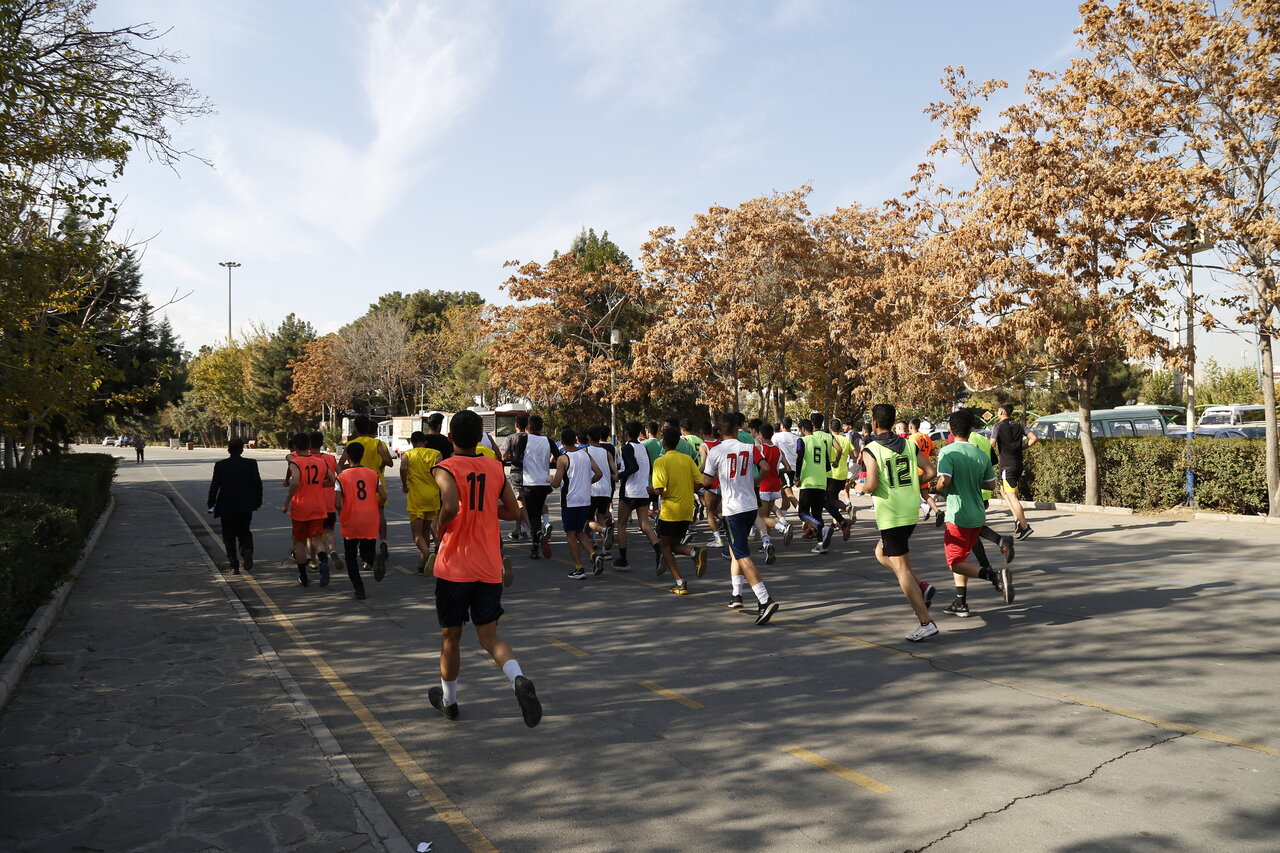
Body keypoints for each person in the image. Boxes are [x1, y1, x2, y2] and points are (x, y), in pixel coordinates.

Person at [427, 410, 542, 727]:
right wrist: (485, 509)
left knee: (451, 637)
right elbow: (513, 512)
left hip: (455, 566)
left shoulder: (445, 467)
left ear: (450, 439)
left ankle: (449, 702)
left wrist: (439, 524)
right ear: (481, 437)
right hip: (489, 564)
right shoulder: (494, 467)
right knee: (489, 636)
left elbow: (450, 505)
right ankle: (518, 679)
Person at [856, 404, 940, 642]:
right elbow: (931, 472)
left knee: (900, 567)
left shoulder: (871, 448)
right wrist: (913, 482)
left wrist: (860, 487)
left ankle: (926, 621)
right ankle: (920, 585)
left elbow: (871, 484)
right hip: (910, 508)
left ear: (874, 423)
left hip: (891, 513)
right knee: (881, 553)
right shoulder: (908, 444)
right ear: (893, 422)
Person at [935, 409, 1015, 619]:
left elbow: (945, 481)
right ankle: (960, 602)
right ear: (971, 429)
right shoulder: (981, 454)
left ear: (950, 429)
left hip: (957, 514)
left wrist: (937, 487)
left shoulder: (948, 452)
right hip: (977, 514)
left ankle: (994, 576)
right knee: (961, 558)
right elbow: (989, 483)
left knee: (955, 562)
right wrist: (970, 479)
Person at [704, 412, 779, 624]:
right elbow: (765, 467)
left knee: (742, 554)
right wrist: (755, 481)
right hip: (749, 507)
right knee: (734, 550)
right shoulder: (749, 447)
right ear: (738, 429)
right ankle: (736, 595)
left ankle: (765, 600)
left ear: (718, 431)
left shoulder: (715, 451)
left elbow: (707, 480)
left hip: (733, 509)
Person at [651, 427, 707, 593]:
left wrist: (651, 489)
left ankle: (681, 581)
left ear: (664, 442)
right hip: (686, 509)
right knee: (673, 544)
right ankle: (692, 552)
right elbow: (699, 482)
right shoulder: (687, 459)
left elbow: (659, 489)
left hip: (670, 510)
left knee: (664, 547)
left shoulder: (660, 462)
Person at [338, 415, 394, 570]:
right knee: (379, 514)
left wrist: (345, 473)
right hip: (374, 481)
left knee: (357, 515)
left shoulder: (351, 444)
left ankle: (361, 552)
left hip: (355, 484)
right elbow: (389, 462)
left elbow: (340, 464)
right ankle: (382, 541)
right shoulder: (378, 443)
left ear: (356, 428)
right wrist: (380, 465)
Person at [281, 433, 334, 586]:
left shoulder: (295, 462)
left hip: (301, 508)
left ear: (296, 447)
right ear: (309, 445)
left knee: (299, 543)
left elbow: (296, 481)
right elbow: (332, 480)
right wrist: (318, 485)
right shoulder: (320, 461)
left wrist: (286, 502)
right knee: (317, 540)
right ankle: (323, 561)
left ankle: (303, 576)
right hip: (318, 506)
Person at [549, 428, 603, 578]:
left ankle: (579, 568)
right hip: (585, 499)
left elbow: (556, 483)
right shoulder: (585, 455)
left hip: (570, 500)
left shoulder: (563, 459)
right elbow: (599, 473)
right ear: (575, 439)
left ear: (563, 442)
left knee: (570, 534)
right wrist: (588, 482)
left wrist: (549, 479)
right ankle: (593, 556)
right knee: (580, 531)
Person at [335, 442, 386, 600]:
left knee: (350, 556)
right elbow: (383, 496)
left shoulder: (341, 477)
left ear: (348, 456)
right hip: (370, 517)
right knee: (367, 549)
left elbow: (337, 503)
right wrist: (374, 506)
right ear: (362, 455)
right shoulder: (372, 474)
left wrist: (341, 512)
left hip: (351, 518)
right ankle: (373, 559)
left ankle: (359, 588)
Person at [207, 439, 262, 574]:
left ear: (228, 450)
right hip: (245, 505)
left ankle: (234, 565)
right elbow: (257, 484)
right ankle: (246, 550)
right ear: (242, 450)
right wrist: (258, 501)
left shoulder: (220, 465)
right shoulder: (251, 463)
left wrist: (211, 503)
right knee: (244, 530)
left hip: (226, 505)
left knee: (228, 535)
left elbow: (214, 487)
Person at [510, 414, 558, 560]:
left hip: (530, 483)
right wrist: (546, 465)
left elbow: (517, 460)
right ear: (542, 427)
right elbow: (558, 456)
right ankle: (535, 548)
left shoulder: (524, 439)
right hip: (544, 483)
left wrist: (527, 463)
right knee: (538, 512)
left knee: (533, 516)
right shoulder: (548, 440)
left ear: (528, 427)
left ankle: (538, 535)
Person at [616, 420, 658, 570]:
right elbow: (647, 466)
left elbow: (633, 467)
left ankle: (623, 559)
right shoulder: (643, 448)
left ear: (626, 433)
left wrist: (619, 476)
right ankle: (659, 552)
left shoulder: (627, 448)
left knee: (621, 524)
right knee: (645, 525)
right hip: (643, 490)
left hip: (630, 491)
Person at [992, 403, 1037, 539]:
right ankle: (1017, 519)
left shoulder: (997, 426)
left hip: (1007, 465)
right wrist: (1021, 448)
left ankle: (1025, 526)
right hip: (1018, 464)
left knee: (1012, 496)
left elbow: (992, 444)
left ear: (1001, 412)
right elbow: (1034, 438)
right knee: (1003, 491)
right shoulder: (1019, 425)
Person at [401, 431, 442, 574]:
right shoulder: (436, 453)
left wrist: (404, 484)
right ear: (425, 442)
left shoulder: (408, 454)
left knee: (417, 535)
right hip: (433, 496)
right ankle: (422, 563)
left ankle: (429, 554)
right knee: (428, 530)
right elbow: (441, 469)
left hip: (417, 498)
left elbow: (402, 468)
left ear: (412, 442)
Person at [753, 422, 793, 563]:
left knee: (761, 517)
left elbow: (760, 466)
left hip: (763, 484)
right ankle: (767, 544)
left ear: (761, 435)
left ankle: (782, 528)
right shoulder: (778, 449)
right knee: (767, 514)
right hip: (776, 485)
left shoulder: (760, 448)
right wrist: (777, 471)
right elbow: (787, 468)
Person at [795, 418, 836, 554]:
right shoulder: (822, 442)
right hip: (821, 481)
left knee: (803, 513)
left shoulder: (802, 441)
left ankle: (821, 528)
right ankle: (821, 544)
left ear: (802, 429)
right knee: (817, 513)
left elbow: (799, 458)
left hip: (808, 481)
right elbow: (827, 464)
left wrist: (797, 477)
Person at [813, 413, 853, 540]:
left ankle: (842, 516)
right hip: (841, 473)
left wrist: (834, 461)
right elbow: (854, 453)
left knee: (827, 501)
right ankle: (835, 523)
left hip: (826, 473)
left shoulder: (821, 437)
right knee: (830, 499)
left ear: (830, 427)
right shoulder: (843, 439)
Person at [311, 431, 343, 572]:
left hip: (314, 503)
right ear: (322, 442)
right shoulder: (330, 458)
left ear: (309, 444)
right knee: (329, 530)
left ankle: (316, 560)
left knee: (315, 535)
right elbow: (340, 475)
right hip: (329, 501)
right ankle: (333, 550)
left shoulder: (308, 460)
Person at [585, 425, 617, 554]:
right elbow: (615, 471)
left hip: (592, 490)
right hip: (606, 490)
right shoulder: (607, 452)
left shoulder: (586, 451)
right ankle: (605, 550)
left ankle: (597, 536)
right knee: (601, 518)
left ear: (589, 437)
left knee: (588, 520)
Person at [908, 419, 943, 526]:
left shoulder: (913, 437)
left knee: (910, 493)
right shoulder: (926, 436)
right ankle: (937, 511)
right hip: (926, 468)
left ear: (910, 427)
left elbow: (913, 452)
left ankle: (917, 511)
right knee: (924, 493)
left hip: (917, 469)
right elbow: (933, 452)